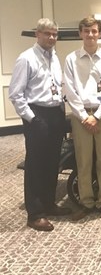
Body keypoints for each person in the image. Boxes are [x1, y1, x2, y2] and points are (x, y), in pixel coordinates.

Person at [9, 18, 71, 231]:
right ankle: (34, 213)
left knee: (53, 162)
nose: (52, 38)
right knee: (36, 164)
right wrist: (32, 119)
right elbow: (16, 94)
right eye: (47, 33)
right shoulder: (26, 58)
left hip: (55, 113)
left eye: (54, 34)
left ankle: (49, 203)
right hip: (37, 115)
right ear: (38, 34)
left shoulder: (54, 56)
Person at [63, 17, 101, 220]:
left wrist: (96, 116)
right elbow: (69, 90)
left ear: (100, 33)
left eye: (94, 31)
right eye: (86, 31)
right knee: (83, 161)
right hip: (80, 117)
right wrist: (84, 116)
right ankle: (86, 202)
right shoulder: (71, 59)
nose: (90, 34)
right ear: (80, 33)